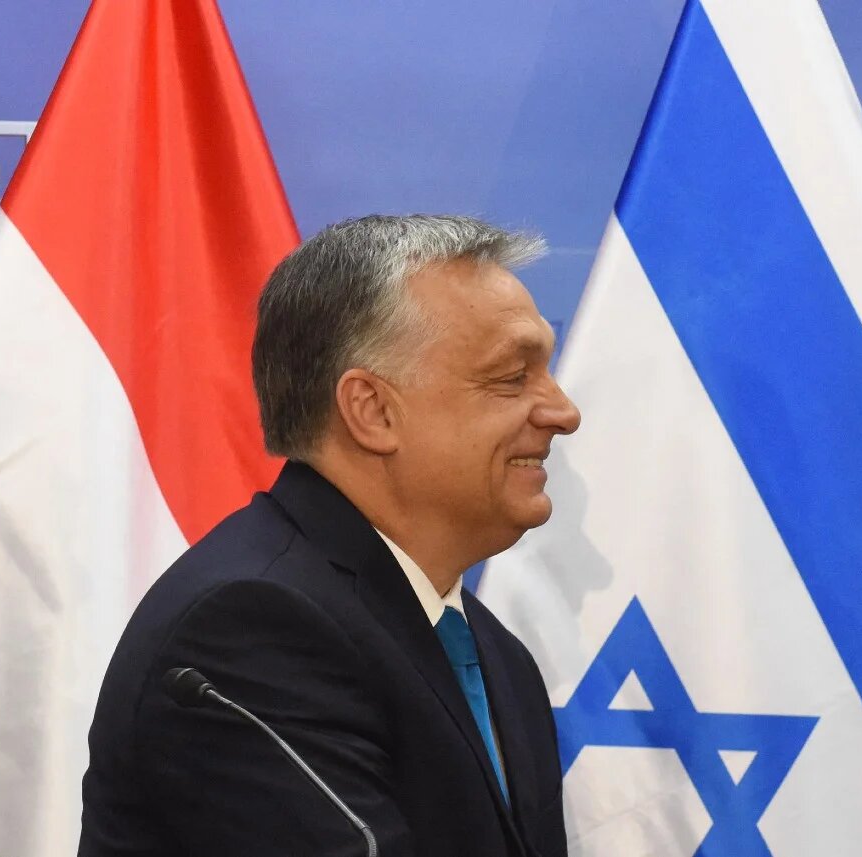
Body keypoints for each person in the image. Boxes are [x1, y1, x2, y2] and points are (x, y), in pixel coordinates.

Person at [79, 215, 580, 856]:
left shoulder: (494, 652)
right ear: (372, 411)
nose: (563, 412)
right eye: (512, 377)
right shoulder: (251, 628)